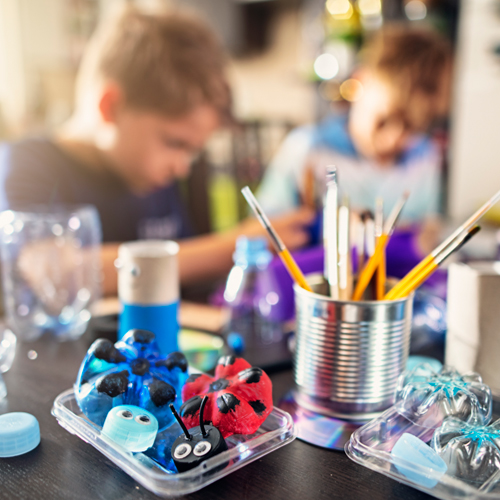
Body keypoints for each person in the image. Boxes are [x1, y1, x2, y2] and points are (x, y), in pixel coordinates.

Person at [0, 6, 313, 295]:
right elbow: (52, 274)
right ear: (111, 106)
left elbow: (191, 280)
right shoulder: (28, 165)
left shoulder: (154, 178)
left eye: (192, 150)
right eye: (175, 143)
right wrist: (233, 247)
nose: (182, 167)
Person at [258, 25, 452, 236]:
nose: (393, 139)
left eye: (412, 128)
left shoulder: (425, 155)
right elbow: (263, 234)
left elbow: (428, 231)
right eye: (383, 121)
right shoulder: (306, 149)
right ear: (360, 81)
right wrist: (325, 226)